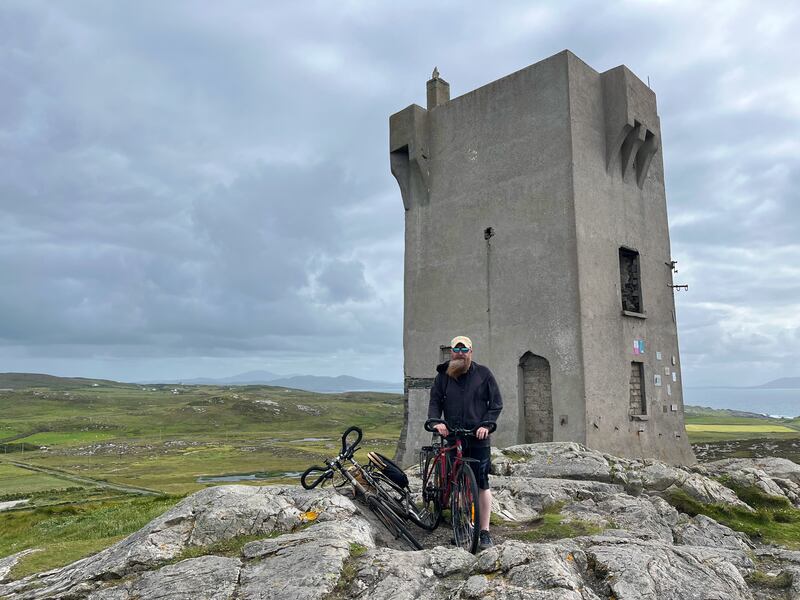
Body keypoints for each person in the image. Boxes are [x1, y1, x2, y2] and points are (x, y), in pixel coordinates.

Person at [427, 335, 503, 550]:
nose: (460, 353)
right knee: (457, 483)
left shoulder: (483, 374)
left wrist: (486, 425)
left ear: (471, 352)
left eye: (464, 350)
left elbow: (496, 404)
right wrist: (436, 422)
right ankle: (462, 525)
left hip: (478, 436)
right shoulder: (442, 376)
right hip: (453, 435)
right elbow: (435, 401)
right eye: (456, 350)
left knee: (481, 483)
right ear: (451, 352)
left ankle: (484, 531)